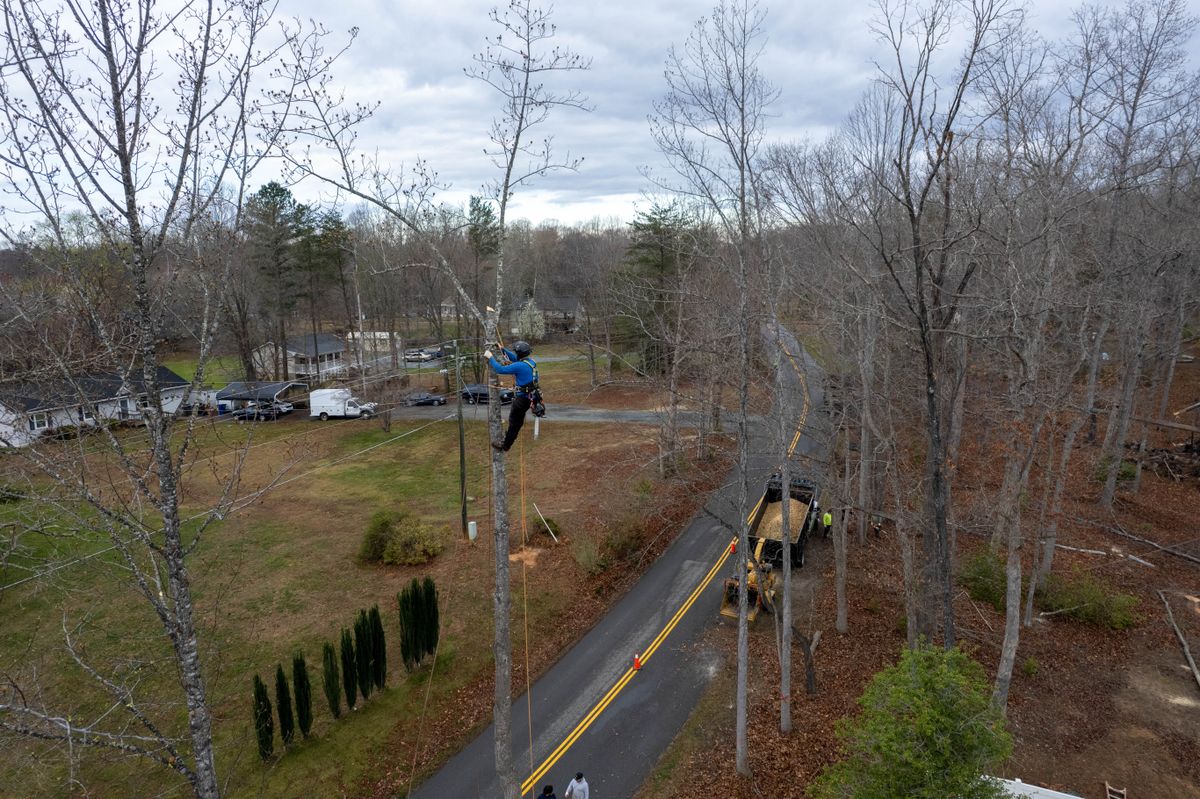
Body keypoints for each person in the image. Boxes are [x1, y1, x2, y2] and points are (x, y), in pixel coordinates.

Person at [483, 340, 539, 451]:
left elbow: (500, 369)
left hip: (522, 399)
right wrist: (503, 350)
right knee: (517, 421)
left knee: (514, 423)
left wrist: (490, 358)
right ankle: (509, 437)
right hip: (531, 397)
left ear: (519, 353)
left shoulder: (519, 366)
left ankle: (505, 445)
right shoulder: (530, 362)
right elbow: (515, 359)